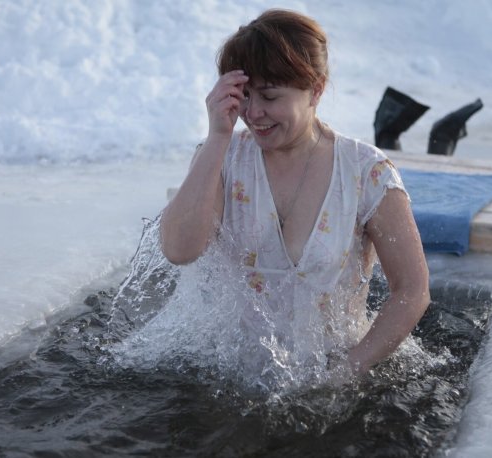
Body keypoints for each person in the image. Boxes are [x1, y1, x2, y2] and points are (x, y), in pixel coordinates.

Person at [160, 9, 429, 377]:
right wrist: (218, 137)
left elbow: (412, 289)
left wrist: (352, 368)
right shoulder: (223, 158)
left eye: (269, 97)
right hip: (232, 377)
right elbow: (179, 250)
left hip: (335, 372)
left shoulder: (366, 172)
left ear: (315, 89)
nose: (253, 113)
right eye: (245, 96)